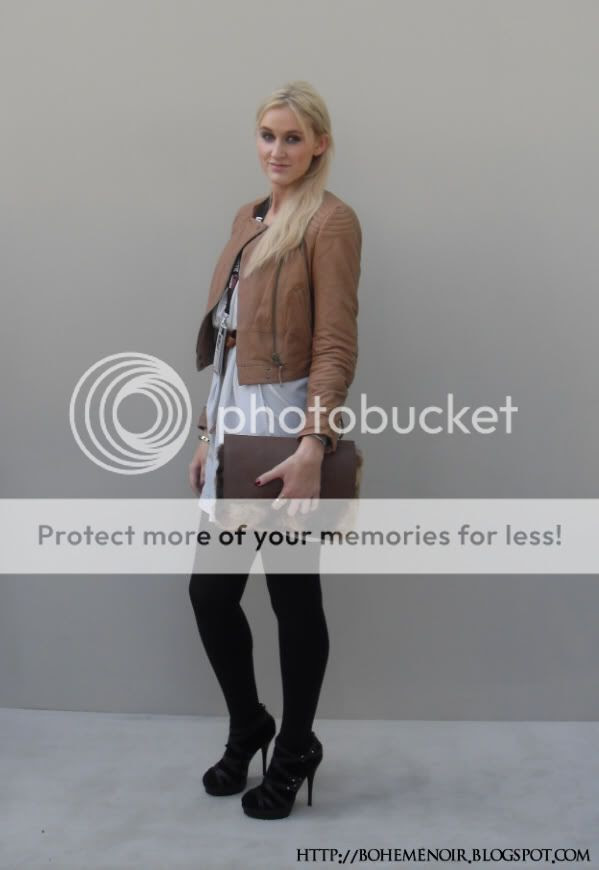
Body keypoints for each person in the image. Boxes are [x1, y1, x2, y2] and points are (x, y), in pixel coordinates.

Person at [187, 80, 362, 820]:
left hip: (288, 427)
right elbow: (230, 345)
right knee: (210, 595)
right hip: (235, 422)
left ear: (319, 144)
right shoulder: (250, 216)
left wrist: (314, 443)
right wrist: (207, 433)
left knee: (293, 598)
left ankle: (293, 747)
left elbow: (334, 344)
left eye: (293, 138)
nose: (278, 150)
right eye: (268, 135)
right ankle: (249, 724)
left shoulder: (331, 222)